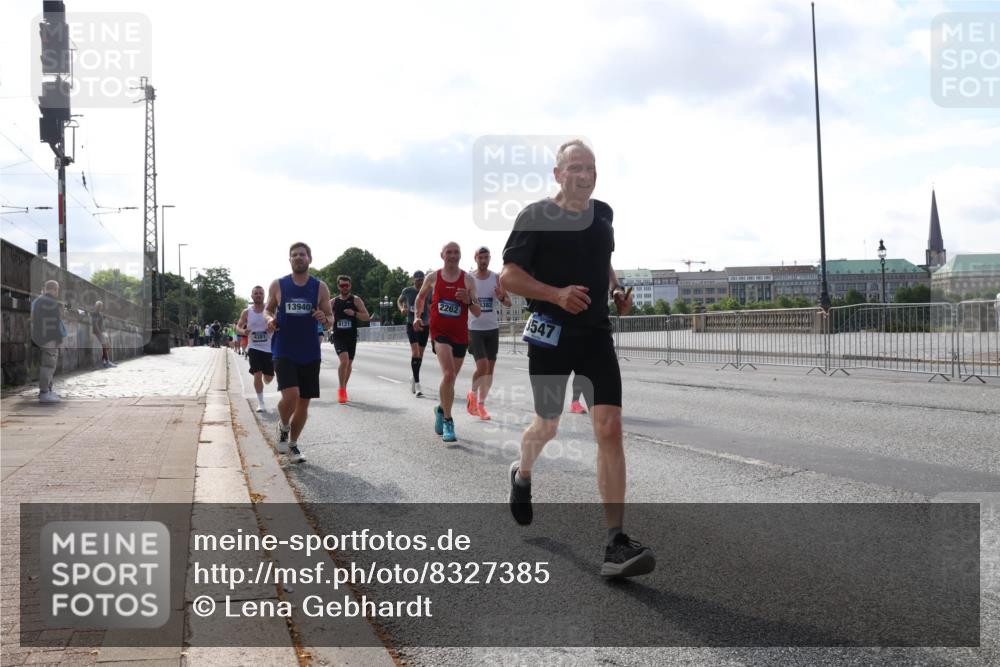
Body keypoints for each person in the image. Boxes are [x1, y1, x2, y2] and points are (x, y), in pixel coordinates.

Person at [500, 139, 654, 578]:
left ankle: (616, 543)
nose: (585, 176)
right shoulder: (535, 217)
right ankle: (522, 472)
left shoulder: (604, 214)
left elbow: (603, 258)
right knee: (547, 424)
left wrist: (616, 290)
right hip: (550, 334)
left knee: (609, 427)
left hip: (595, 335)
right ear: (557, 174)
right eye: (576, 169)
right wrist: (555, 294)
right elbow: (510, 276)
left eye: (591, 169)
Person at [265, 242, 334, 464]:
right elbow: (268, 309)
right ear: (289, 260)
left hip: (310, 350)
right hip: (283, 348)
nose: (298, 258)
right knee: (291, 395)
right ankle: (283, 426)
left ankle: (293, 445)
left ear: (309, 259)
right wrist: (270, 319)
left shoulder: (319, 287)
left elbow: (330, 318)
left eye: (302, 254)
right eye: (294, 255)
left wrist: (325, 319)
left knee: (303, 402)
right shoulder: (279, 284)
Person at [413, 242, 481, 442]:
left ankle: (441, 409)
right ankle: (448, 422)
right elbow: (420, 297)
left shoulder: (468, 280)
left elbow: (477, 312)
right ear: (442, 255)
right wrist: (418, 316)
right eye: (449, 252)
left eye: (456, 252)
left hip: (460, 334)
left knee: (451, 380)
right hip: (439, 332)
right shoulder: (433, 277)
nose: (452, 255)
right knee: (449, 374)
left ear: (460, 255)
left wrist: (468, 301)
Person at [466, 246, 512, 421]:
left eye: (486, 257)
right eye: (480, 257)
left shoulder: (496, 278)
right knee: (482, 366)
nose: (483, 260)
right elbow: (464, 303)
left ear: (489, 258)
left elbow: (508, 302)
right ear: (475, 258)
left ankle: (481, 405)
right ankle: (473, 393)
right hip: (475, 329)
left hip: (492, 328)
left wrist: (501, 298)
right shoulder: (469, 278)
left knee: (489, 371)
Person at [330, 275, 371, 404]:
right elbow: (327, 316)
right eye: (342, 285)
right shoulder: (333, 302)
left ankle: (344, 387)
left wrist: (354, 313)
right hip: (338, 335)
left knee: (349, 364)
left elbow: (366, 317)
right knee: (344, 360)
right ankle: (341, 390)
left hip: (351, 336)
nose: (344, 287)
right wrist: (329, 324)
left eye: (347, 285)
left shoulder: (356, 300)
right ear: (338, 286)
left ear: (350, 286)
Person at [237, 286, 275, 413]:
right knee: (257, 374)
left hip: (269, 349)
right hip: (253, 348)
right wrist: (243, 331)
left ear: (264, 295)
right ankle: (261, 403)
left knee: (268, 379)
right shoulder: (246, 312)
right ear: (252, 296)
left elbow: (277, 323)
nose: (258, 295)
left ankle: (266, 374)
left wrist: (273, 327)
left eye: (261, 293)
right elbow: (238, 327)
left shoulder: (269, 310)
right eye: (256, 293)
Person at [398, 271, 433, 397]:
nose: (420, 282)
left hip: (425, 324)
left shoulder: (428, 291)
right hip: (411, 324)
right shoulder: (408, 291)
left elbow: (431, 304)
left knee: (421, 354)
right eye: (417, 280)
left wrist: (430, 309)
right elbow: (400, 300)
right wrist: (402, 308)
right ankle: (417, 384)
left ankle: (414, 376)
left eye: (421, 279)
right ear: (414, 280)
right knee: (415, 352)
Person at [31, 280, 65, 403]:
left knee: (47, 364)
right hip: (49, 338)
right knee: (48, 365)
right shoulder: (51, 302)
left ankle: (47, 391)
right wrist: (59, 338)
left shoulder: (38, 301)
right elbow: (55, 322)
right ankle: (45, 392)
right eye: (58, 290)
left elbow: (34, 319)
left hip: (40, 337)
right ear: (55, 289)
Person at [92, 301, 116, 368]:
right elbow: (95, 324)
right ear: (97, 306)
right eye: (99, 306)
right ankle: (107, 362)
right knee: (104, 347)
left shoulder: (100, 314)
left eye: (101, 306)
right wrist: (99, 333)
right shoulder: (95, 314)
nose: (100, 307)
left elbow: (101, 319)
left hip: (103, 332)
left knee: (108, 346)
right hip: (100, 332)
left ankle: (104, 361)